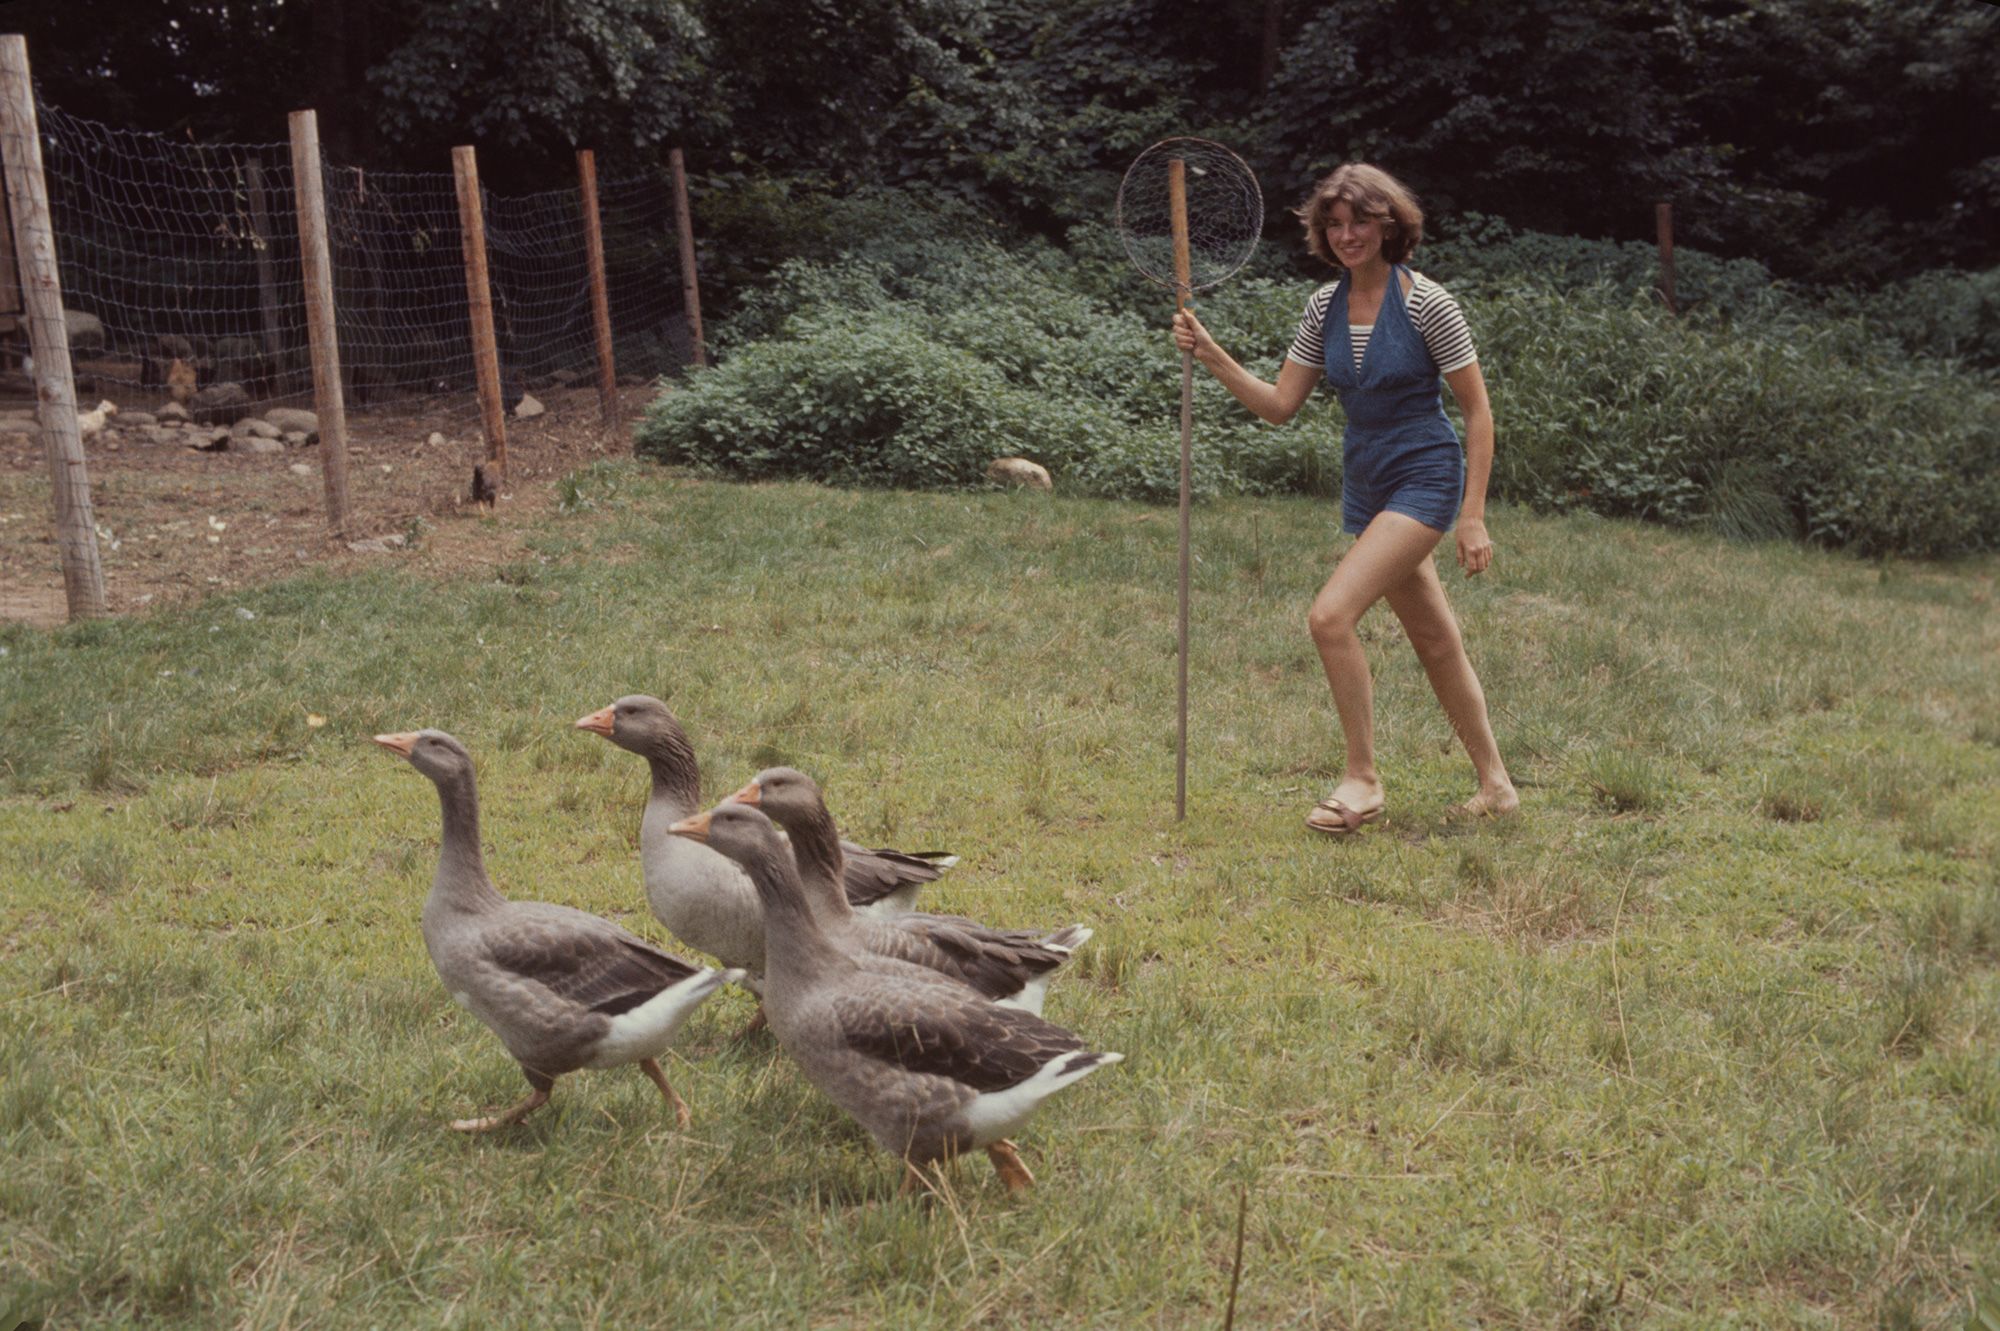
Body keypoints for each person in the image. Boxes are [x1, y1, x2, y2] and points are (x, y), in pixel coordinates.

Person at [1172, 162, 1517, 834]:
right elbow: (1278, 405)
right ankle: (1498, 786)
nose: (1346, 234)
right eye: (1333, 224)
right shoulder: (1322, 307)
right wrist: (1211, 353)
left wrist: (1471, 514)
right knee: (1435, 639)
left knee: (1331, 616)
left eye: (1359, 220)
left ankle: (1362, 779)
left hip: (1425, 475)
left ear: (1390, 223)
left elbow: (1478, 411)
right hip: (1368, 480)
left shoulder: (1427, 303)